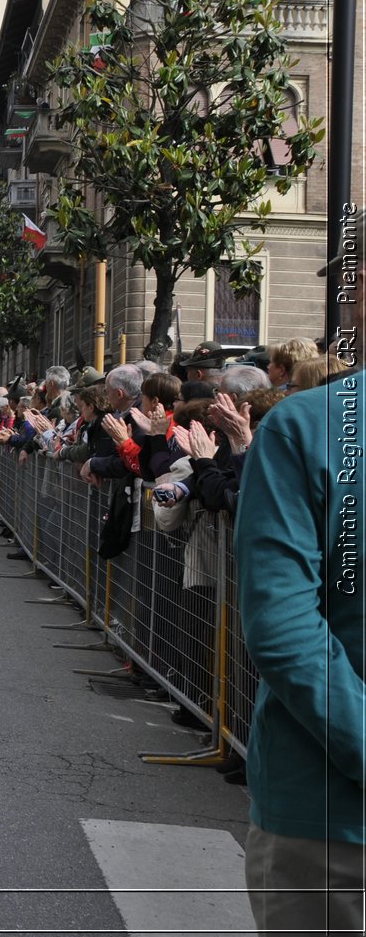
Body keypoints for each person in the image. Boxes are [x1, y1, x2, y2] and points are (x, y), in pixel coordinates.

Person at [234, 370, 365, 933]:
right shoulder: (309, 425)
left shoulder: (310, 423)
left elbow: (283, 628)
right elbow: (285, 628)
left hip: (330, 815)